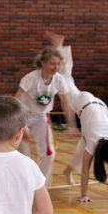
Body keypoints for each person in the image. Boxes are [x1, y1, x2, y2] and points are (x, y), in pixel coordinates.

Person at [13, 34, 74, 184]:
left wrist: (72, 125)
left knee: (49, 154)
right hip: (24, 116)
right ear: (43, 63)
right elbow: (16, 102)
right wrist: (22, 125)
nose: (56, 67)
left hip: (41, 117)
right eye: (53, 64)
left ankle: (41, 185)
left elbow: (66, 103)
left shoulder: (59, 80)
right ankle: (22, 184)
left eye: (58, 64)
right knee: (23, 156)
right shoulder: (31, 78)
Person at [60, 83, 108, 202]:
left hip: (99, 108)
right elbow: (85, 169)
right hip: (82, 102)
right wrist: (84, 195)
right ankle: (65, 69)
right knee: (66, 84)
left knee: (81, 150)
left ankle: (68, 171)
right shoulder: (93, 143)